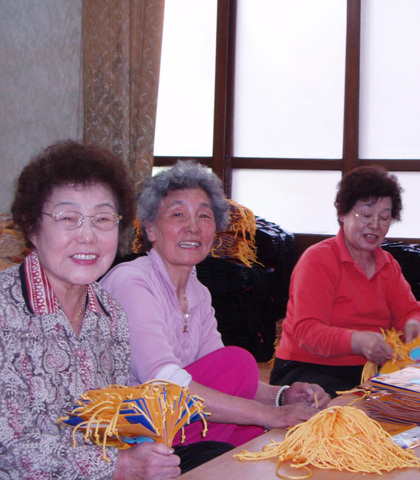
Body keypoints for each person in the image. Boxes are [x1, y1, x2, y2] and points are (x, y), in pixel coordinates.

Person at [100, 160, 330, 470]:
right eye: (178, 214)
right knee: (242, 375)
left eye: (204, 216)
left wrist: (283, 397)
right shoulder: (132, 281)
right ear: (151, 228)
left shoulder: (197, 292)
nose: (193, 227)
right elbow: (164, 383)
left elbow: (228, 382)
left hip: (174, 420)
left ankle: (208, 457)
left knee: (256, 431)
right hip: (129, 435)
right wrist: (268, 415)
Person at [0, 140, 181, 479]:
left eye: (102, 219)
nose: (87, 236)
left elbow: (106, 424)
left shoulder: (111, 314)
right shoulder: (5, 310)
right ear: (31, 227)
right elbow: (9, 448)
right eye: (68, 218)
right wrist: (120, 466)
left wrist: (143, 446)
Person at [270, 166, 420, 397]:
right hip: (307, 369)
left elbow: (411, 311)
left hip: (366, 370)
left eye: (384, 218)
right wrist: (356, 341)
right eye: (366, 215)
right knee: (358, 409)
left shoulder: (388, 264)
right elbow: (307, 332)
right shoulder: (318, 259)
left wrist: (415, 323)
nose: (375, 225)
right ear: (341, 213)